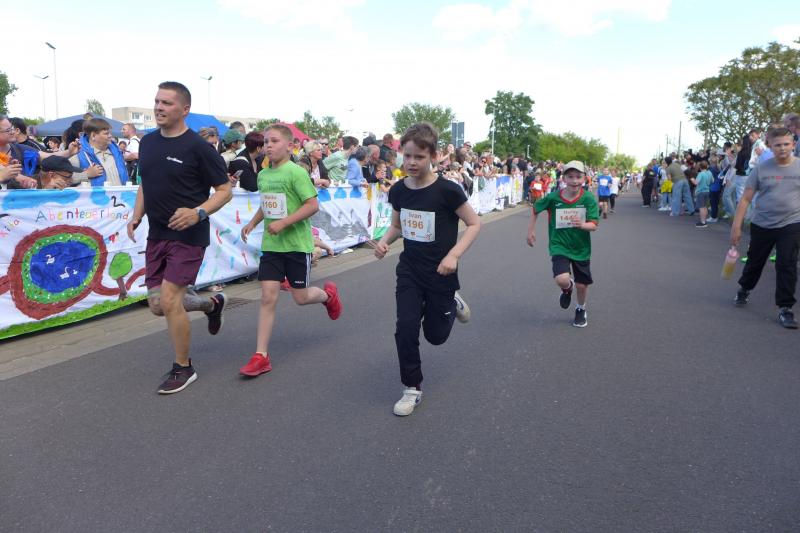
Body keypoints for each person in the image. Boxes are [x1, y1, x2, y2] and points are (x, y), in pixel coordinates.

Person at [127, 81, 233, 394]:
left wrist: (198, 212)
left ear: (184, 109)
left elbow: (225, 190)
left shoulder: (199, 148)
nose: (159, 107)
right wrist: (136, 214)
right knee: (157, 304)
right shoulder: (148, 142)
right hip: (157, 233)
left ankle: (183, 367)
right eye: (157, 101)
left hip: (188, 235)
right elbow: (146, 183)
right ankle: (211, 305)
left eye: (167, 103)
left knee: (171, 299)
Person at [373, 123, 481, 417]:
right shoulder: (399, 190)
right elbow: (396, 226)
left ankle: (452, 301)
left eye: (419, 157)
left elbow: (474, 223)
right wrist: (383, 242)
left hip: (441, 273)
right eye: (407, 156)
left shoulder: (448, 191)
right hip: (409, 270)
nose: (411, 162)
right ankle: (412, 387)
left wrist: (453, 256)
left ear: (433, 156)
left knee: (436, 336)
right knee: (405, 328)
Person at [238, 124, 343, 377]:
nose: (268, 146)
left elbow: (312, 205)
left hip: (296, 246)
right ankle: (261, 356)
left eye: (274, 141)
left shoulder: (296, 172)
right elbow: (267, 204)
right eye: (266, 141)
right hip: (272, 246)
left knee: (301, 297)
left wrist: (284, 223)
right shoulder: (264, 175)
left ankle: (328, 296)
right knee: (268, 297)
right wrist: (253, 223)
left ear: (289, 146)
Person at [730, 126, 800, 329]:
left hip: (791, 223)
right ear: (770, 146)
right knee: (755, 262)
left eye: (786, 144)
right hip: (763, 224)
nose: (782, 148)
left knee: (787, 264)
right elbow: (745, 199)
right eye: (777, 145)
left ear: (793, 145)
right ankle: (744, 288)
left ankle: (785, 308)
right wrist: (736, 226)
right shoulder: (761, 169)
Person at [527, 160, 599, 328]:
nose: (574, 181)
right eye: (570, 177)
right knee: (561, 279)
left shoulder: (588, 198)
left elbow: (594, 225)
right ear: (564, 178)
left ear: (584, 179)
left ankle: (580, 308)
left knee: (582, 285)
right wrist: (531, 230)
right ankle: (567, 288)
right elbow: (536, 209)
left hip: (581, 248)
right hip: (559, 245)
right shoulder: (553, 197)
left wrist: (582, 225)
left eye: (578, 177)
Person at [70, 118, 128, 186]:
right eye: (106, 133)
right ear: (93, 136)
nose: (110, 136)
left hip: (121, 193)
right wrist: (86, 174)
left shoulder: (117, 152)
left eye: (110, 133)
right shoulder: (79, 155)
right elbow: (63, 179)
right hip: (95, 193)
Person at [692, 160, 712, 227]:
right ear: (707, 166)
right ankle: (704, 220)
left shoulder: (700, 174)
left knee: (701, 207)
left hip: (701, 192)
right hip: (707, 191)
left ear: (700, 167)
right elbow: (712, 180)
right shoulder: (709, 173)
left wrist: (692, 179)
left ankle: (703, 222)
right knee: (705, 206)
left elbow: (696, 183)